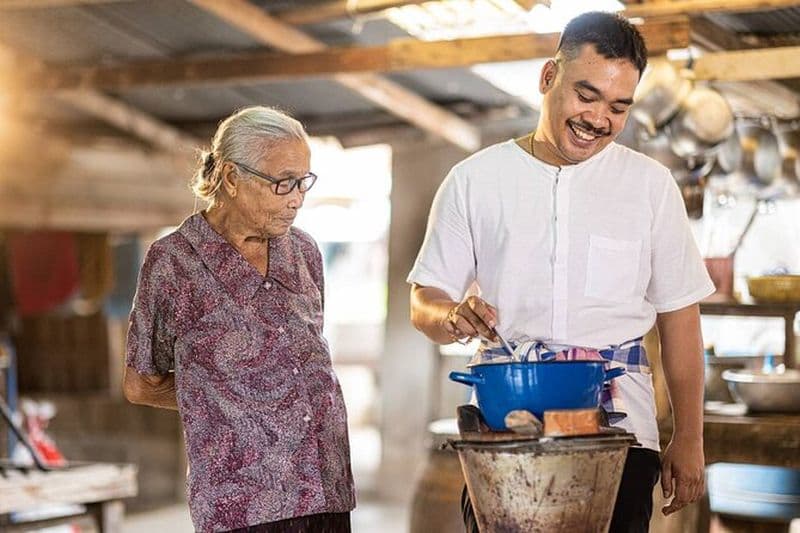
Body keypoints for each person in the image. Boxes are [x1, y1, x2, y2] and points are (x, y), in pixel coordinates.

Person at [407, 11, 713, 533]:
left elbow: (680, 318)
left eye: (619, 107)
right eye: (586, 95)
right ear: (549, 78)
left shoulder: (650, 187)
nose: (598, 119)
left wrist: (689, 435)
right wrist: (451, 316)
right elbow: (424, 299)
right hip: (506, 431)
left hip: (619, 434)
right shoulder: (475, 180)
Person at [123, 106, 355, 533]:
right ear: (231, 178)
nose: (297, 197)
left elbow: (301, 358)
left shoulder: (304, 252)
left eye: (303, 181)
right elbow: (141, 384)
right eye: (283, 182)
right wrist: (228, 397)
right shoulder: (173, 262)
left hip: (325, 485)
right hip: (241, 500)